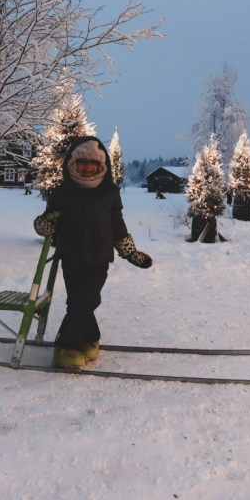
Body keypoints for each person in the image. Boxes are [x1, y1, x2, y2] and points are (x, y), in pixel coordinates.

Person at [33, 136, 153, 368]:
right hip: (71, 257)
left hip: (99, 258)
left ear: (101, 165)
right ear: (72, 163)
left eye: (93, 163)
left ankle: (66, 344)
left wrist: (131, 253)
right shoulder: (62, 193)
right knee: (78, 302)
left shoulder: (110, 192)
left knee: (88, 299)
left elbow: (117, 226)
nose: (87, 168)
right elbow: (44, 224)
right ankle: (87, 339)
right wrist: (45, 223)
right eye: (82, 162)